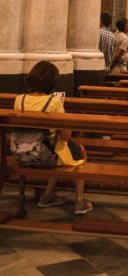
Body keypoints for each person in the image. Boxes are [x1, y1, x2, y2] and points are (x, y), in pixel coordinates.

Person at [13, 61, 92, 215]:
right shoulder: (54, 102)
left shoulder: (19, 99)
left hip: (21, 154)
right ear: (52, 81)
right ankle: (80, 201)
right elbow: (66, 136)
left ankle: (48, 195)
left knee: (55, 148)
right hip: (45, 155)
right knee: (79, 151)